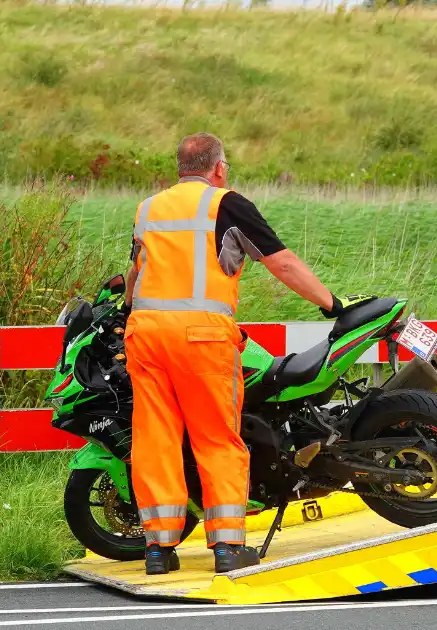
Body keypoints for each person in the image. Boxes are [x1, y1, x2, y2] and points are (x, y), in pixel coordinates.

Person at [123, 132, 371, 575]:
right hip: (202, 337)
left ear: (180, 169)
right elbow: (282, 262)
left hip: (145, 334)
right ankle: (227, 546)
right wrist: (332, 304)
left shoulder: (149, 208)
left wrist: (128, 308)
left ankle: (158, 550)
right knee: (216, 437)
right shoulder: (227, 203)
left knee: (155, 439)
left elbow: (134, 274)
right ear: (218, 167)